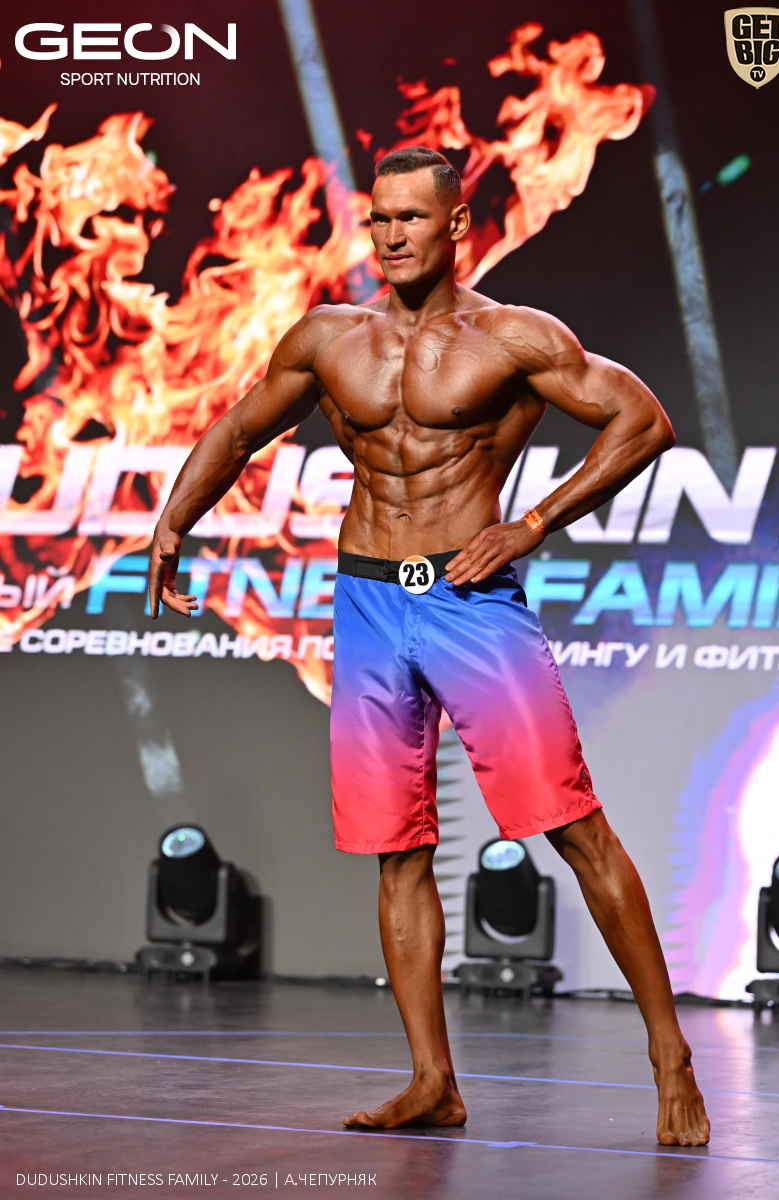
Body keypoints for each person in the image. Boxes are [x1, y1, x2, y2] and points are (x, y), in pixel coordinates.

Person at [148, 146, 710, 1146]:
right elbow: (236, 432)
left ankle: (670, 1058)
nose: (392, 235)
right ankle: (430, 1081)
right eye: (380, 218)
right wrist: (172, 524)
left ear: (455, 224)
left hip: (471, 600)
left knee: (573, 827)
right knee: (396, 851)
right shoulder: (329, 338)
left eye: (411, 217)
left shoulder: (512, 336)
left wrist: (530, 523)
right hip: (369, 601)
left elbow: (641, 421)